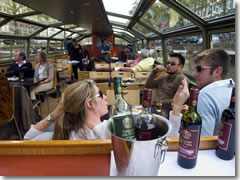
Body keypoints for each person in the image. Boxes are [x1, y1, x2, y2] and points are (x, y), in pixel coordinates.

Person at [24, 80, 110, 140]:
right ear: (90, 104)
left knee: (51, 127)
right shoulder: (112, 130)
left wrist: (55, 113)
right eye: (101, 94)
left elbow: (28, 138)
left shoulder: (66, 136)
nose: (105, 97)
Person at [193, 48, 234, 136]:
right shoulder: (232, 88)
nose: (194, 73)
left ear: (217, 71)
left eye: (199, 69)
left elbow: (203, 140)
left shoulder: (206, 94)